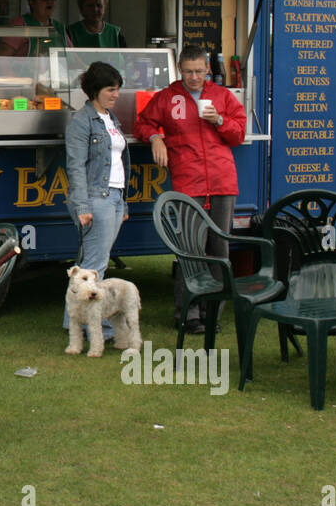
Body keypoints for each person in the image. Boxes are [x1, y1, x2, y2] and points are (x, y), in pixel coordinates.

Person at [135, 45, 246, 333]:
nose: (193, 77)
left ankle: (213, 314)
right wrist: (156, 137)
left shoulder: (222, 96)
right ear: (180, 70)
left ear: (208, 69)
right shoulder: (168, 97)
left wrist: (219, 120)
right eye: (188, 72)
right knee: (189, 249)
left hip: (222, 181)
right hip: (188, 180)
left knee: (219, 249)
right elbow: (143, 123)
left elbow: (238, 134)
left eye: (198, 71)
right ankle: (187, 314)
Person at [63, 61, 131, 342]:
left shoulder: (110, 118)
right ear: (94, 90)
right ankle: (94, 329)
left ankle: (74, 322)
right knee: (94, 266)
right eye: (110, 90)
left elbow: (118, 163)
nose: (115, 95)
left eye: (117, 90)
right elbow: (75, 166)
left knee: (90, 264)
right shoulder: (81, 121)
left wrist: (123, 204)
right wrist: (82, 207)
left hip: (113, 197)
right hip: (95, 198)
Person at [0, 0, 71, 57]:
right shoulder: (20, 24)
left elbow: (74, 57)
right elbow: (3, 58)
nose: (50, 2)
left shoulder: (59, 28)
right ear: (32, 2)